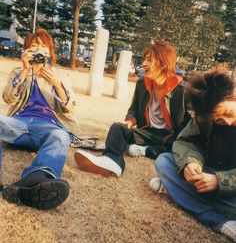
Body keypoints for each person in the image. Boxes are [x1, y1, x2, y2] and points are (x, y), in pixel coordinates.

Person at [74, 40, 191, 178]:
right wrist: (129, 121)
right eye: (144, 60)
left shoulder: (184, 91)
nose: (143, 64)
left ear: (163, 63)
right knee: (117, 128)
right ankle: (112, 161)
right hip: (147, 133)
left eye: (149, 60)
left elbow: (190, 128)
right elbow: (134, 109)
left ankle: (147, 151)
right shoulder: (142, 83)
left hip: (171, 138)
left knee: (179, 147)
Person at [0, 28, 81, 210]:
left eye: (44, 46)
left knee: (61, 137)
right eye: (34, 45)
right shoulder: (17, 71)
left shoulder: (59, 74)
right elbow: (7, 98)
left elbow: (71, 108)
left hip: (47, 126)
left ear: (50, 52)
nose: (39, 49)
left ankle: (36, 180)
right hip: (18, 124)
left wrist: (57, 85)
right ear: (27, 50)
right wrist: (23, 72)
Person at [155, 69, 236, 243]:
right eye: (219, 120)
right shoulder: (204, 116)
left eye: (229, 114)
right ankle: (222, 220)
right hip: (206, 177)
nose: (228, 123)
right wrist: (190, 163)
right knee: (164, 162)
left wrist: (220, 181)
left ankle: (180, 193)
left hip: (228, 185)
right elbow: (186, 141)